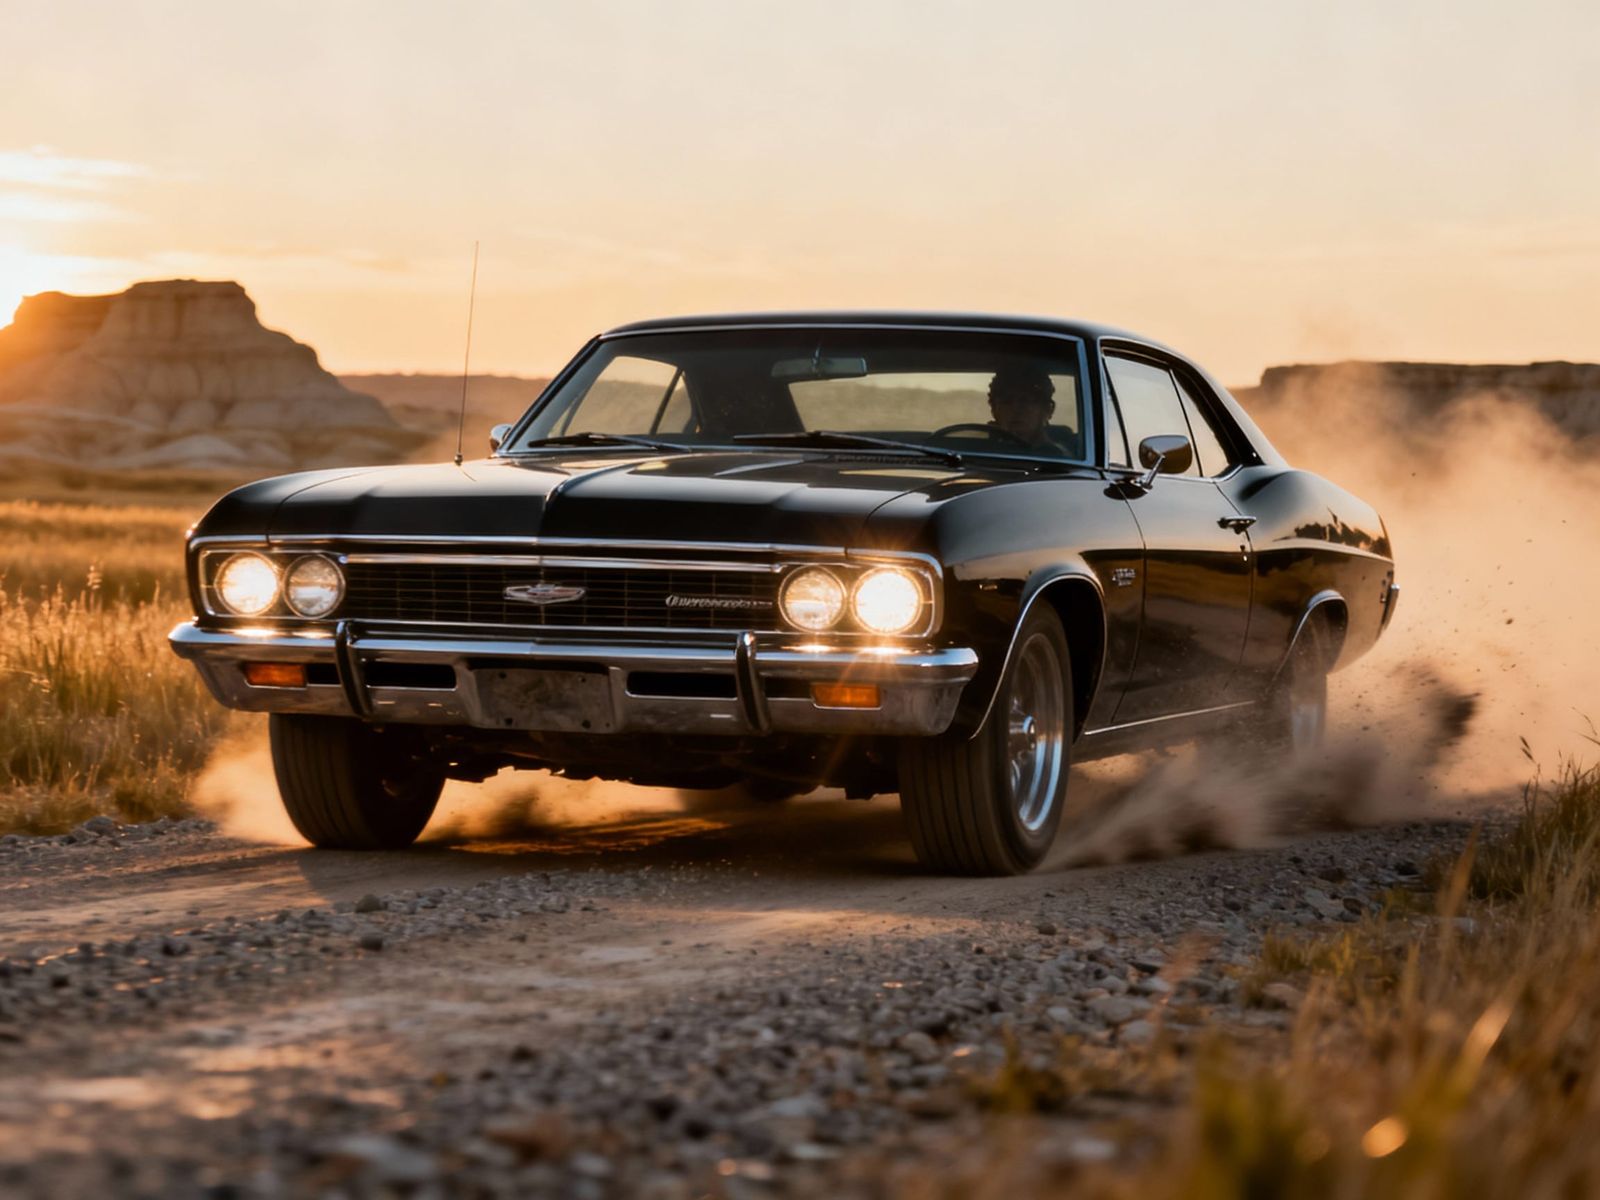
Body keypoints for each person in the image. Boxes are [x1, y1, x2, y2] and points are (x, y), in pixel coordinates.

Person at [987, 364, 1058, 448]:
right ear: (994, 409)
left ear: (1047, 410)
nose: (1016, 408)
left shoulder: (1056, 457)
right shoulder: (979, 451)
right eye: (1007, 401)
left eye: (1025, 401)